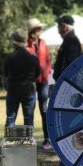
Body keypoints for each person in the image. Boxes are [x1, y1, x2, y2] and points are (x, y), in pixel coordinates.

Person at [4, 28, 40, 127]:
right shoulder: (33, 57)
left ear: (14, 43)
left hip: (13, 90)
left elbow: (6, 73)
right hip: (29, 90)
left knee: (10, 118)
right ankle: (28, 140)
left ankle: (8, 140)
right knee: (28, 119)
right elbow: (38, 73)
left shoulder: (9, 58)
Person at [26, 18, 52, 150]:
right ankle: (29, 140)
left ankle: (48, 139)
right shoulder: (26, 45)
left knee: (44, 109)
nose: (41, 30)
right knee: (30, 110)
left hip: (44, 81)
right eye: (39, 28)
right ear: (33, 30)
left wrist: (47, 73)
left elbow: (47, 59)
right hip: (30, 83)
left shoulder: (43, 43)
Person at [53, 15, 82, 81]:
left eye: (59, 25)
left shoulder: (71, 39)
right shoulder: (69, 39)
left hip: (67, 81)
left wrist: (64, 80)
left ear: (65, 27)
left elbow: (71, 63)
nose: (57, 27)